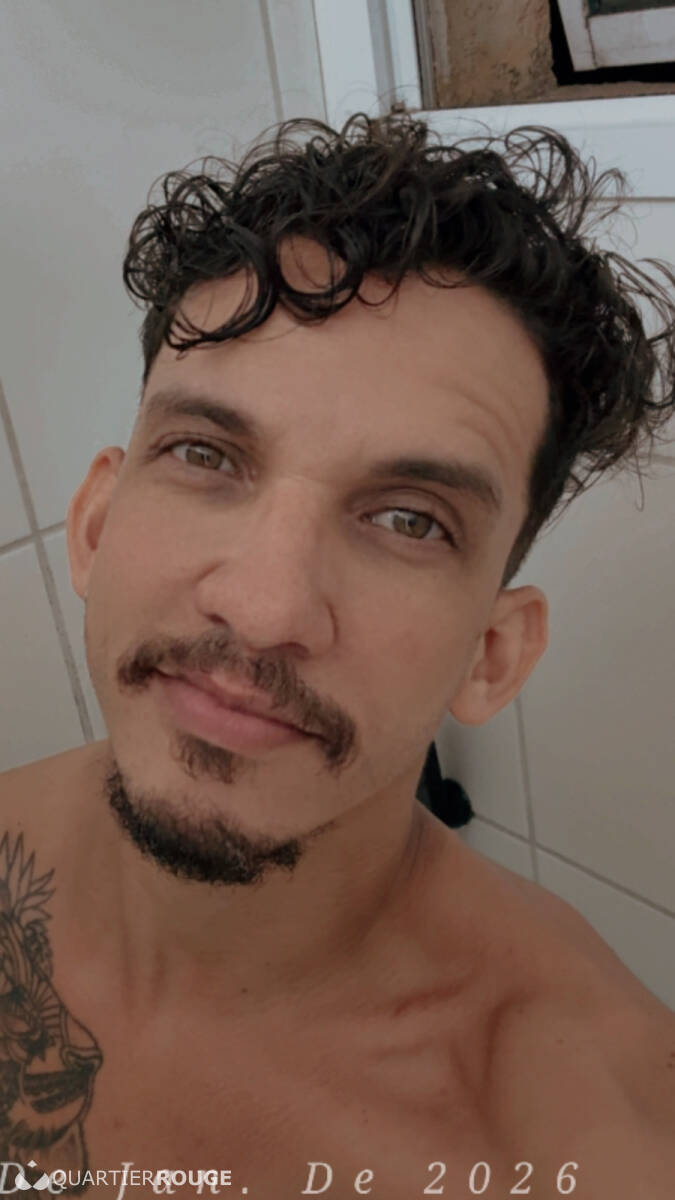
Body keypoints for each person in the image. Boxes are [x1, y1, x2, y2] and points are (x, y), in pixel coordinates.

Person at [1, 108, 674, 1199]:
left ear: (492, 656)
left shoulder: (595, 1147)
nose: (263, 607)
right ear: (96, 525)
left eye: (409, 520)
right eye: (205, 454)